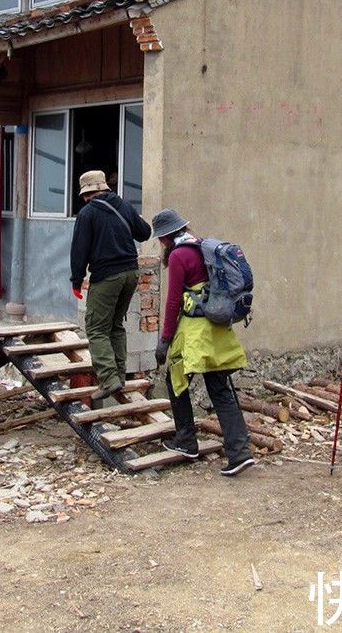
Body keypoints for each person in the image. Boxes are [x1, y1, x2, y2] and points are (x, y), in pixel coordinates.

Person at [151, 208, 254, 477]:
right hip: (218, 328)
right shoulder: (203, 247)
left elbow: (173, 301)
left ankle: (186, 441)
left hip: (195, 331)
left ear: (164, 238)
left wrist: (164, 340)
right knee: (220, 389)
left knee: (176, 380)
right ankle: (240, 452)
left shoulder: (178, 256)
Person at [70, 170, 152, 400]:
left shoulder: (87, 213)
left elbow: (79, 251)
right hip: (131, 274)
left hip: (107, 276)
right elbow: (144, 233)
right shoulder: (123, 205)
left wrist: (76, 280)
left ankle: (108, 380)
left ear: (87, 193)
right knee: (115, 325)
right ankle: (119, 375)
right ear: (104, 187)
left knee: (96, 328)